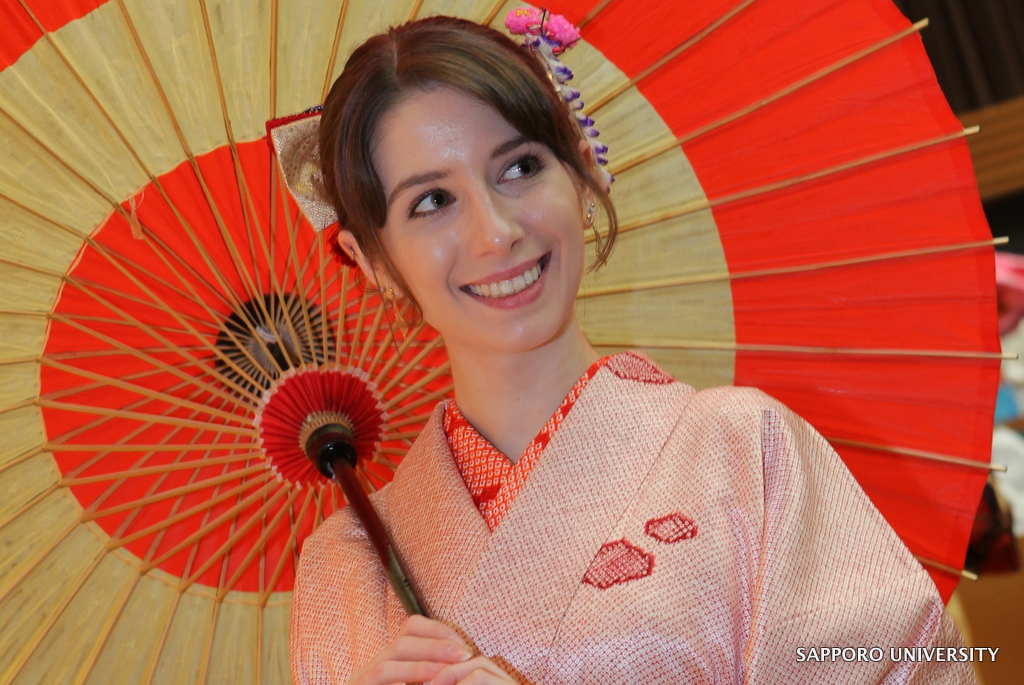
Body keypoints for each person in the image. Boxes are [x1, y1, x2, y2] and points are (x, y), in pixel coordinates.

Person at [288, 13, 975, 685]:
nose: (494, 233)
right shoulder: (344, 568)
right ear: (369, 259)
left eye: (520, 166)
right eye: (432, 202)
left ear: (582, 174)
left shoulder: (743, 450)